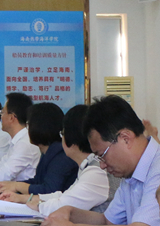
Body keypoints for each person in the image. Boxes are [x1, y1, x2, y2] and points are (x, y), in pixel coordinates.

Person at [43, 95, 160, 226]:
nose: (102, 165)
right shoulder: (131, 172)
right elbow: (107, 221)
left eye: (102, 155)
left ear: (125, 138)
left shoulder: (157, 170)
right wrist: (70, 212)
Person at [0, 105, 112, 216]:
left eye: (63, 134)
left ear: (71, 137)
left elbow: (63, 204)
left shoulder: (94, 171)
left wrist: (37, 205)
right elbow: (63, 196)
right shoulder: (86, 165)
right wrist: (22, 198)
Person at [0, 102, 78, 195]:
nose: (27, 130)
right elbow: (38, 182)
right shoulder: (48, 152)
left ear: (40, 126)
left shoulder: (60, 155)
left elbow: (49, 189)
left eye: (28, 124)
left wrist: (17, 186)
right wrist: (5, 185)